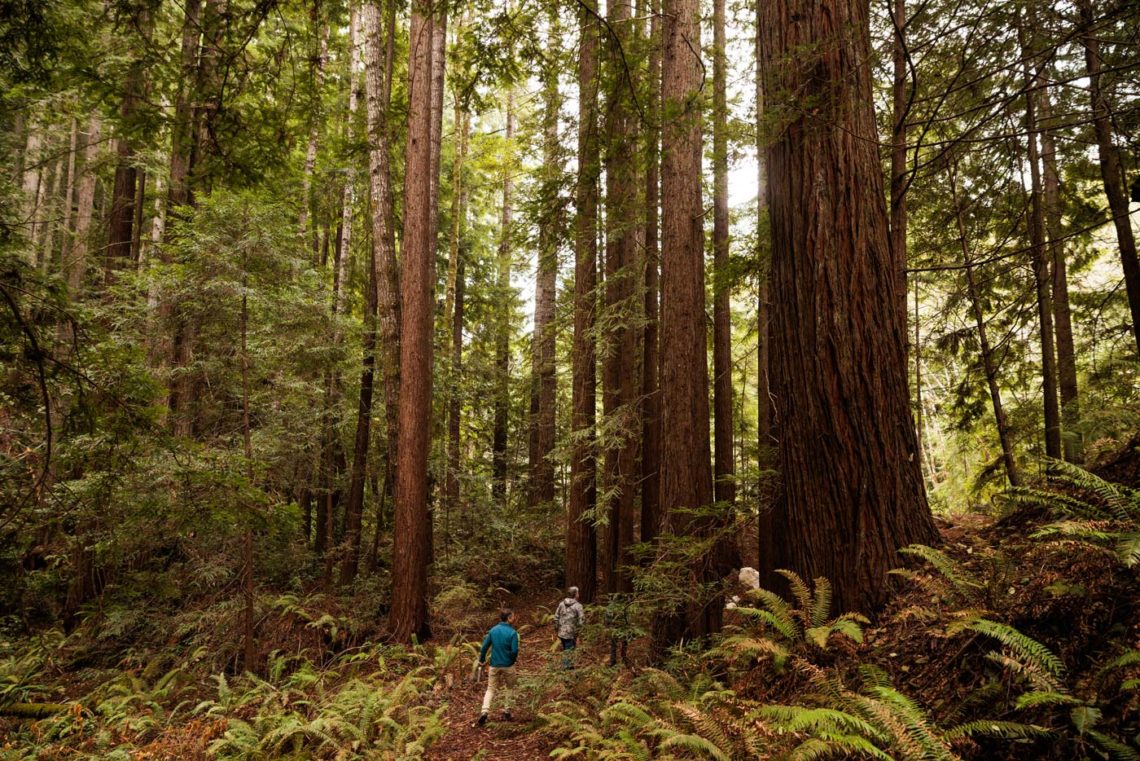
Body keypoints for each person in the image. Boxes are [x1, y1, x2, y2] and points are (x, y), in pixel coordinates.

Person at [476, 609, 519, 726]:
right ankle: (507, 712)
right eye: (513, 617)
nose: (514, 618)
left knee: (490, 689)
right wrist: (512, 659)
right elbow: (515, 650)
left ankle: (484, 712)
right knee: (509, 687)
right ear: (509, 618)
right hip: (508, 665)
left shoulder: (493, 630)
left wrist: (481, 660)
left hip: (494, 665)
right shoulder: (512, 633)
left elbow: (484, 647)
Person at [553, 586, 585, 669]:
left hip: (561, 632)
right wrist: (581, 632)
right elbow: (582, 620)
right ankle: (566, 670)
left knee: (566, 650)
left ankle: (570, 667)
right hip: (571, 633)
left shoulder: (561, 604)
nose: (578, 594)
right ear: (575, 594)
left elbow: (556, 617)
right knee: (568, 651)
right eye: (577, 592)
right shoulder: (578, 606)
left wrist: (556, 630)